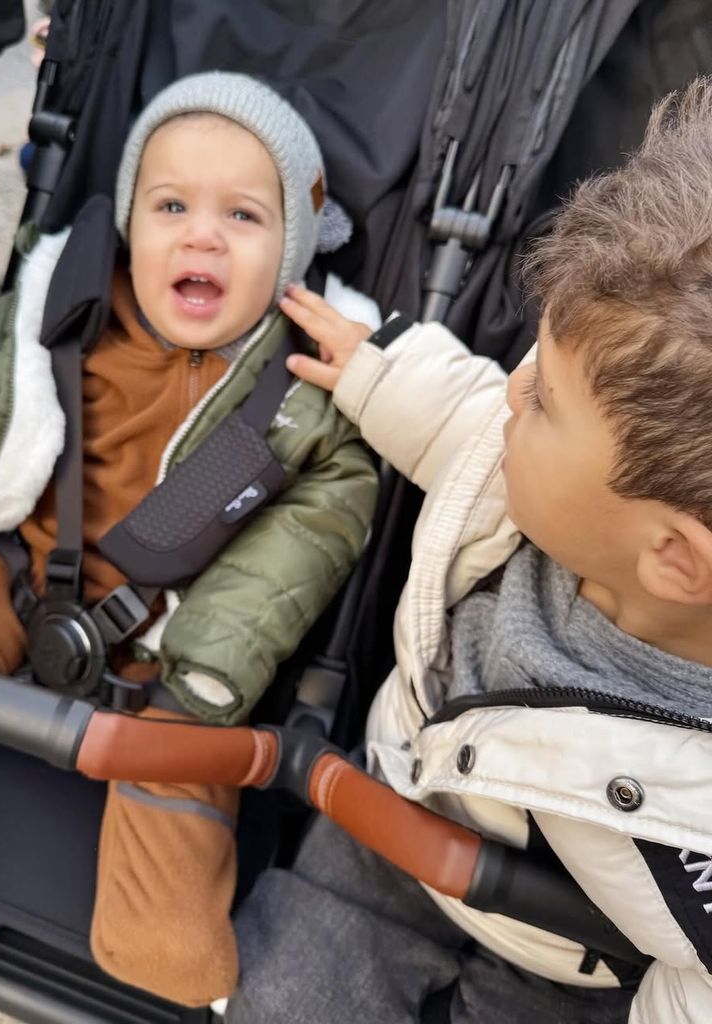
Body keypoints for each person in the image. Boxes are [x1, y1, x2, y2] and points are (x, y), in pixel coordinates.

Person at [0, 72, 377, 1007]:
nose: (202, 234)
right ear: (130, 222)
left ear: (293, 256)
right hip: (14, 553)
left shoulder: (303, 395)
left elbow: (311, 533)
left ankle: (166, 955)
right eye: (171, 204)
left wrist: (210, 660)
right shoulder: (49, 319)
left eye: (244, 217)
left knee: (187, 759)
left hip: (189, 618)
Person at [226, 78, 712, 1023]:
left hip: (564, 954)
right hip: (388, 820)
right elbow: (461, 416)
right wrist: (377, 367)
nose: (511, 389)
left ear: (675, 560)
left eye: (545, 402)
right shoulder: (531, 478)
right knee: (281, 998)